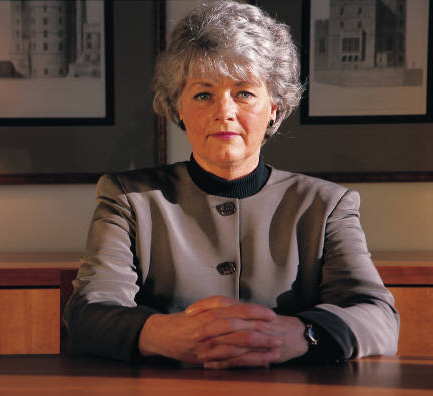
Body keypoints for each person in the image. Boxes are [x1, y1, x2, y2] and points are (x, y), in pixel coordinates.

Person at [64, 0, 399, 368]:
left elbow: (378, 317)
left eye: (244, 93)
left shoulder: (326, 205)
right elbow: (87, 317)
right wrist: (165, 334)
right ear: (178, 107)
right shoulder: (127, 200)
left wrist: (302, 334)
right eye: (204, 94)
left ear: (274, 106)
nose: (224, 111)